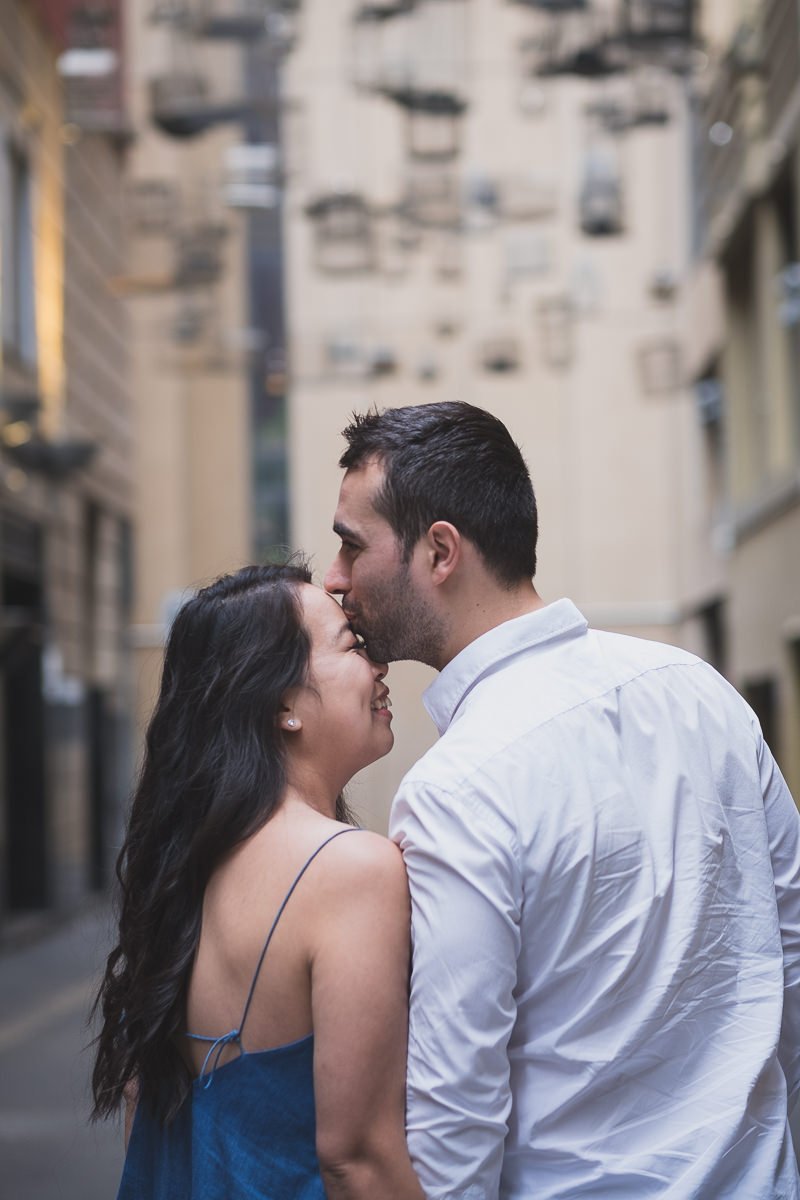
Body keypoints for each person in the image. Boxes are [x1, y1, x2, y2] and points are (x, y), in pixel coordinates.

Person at [324, 400, 800, 1200]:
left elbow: (454, 1127)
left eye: (350, 545)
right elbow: (790, 959)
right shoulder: (699, 693)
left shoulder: (457, 789)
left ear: (439, 550)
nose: (335, 578)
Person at [91, 561, 425, 1200]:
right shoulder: (350, 869)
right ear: (283, 705)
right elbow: (357, 1158)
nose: (380, 667)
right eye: (353, 646)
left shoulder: (189, 865)